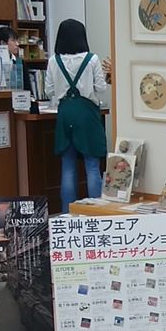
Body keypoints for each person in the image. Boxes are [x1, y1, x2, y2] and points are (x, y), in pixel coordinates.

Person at [44, 19, 113, 213]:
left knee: (67, 166)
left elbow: (49, 90)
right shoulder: (92, 59)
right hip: (87, 113)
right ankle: (95, 212)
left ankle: (67, 212)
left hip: (65, 113)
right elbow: (100, 88)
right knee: (92, 165)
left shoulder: (53, 61)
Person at [0, 26, 23, 90]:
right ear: (3, 43)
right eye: (13, 40)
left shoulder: (20, 62)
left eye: (17, 40)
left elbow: (27, 87)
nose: (17, 44)